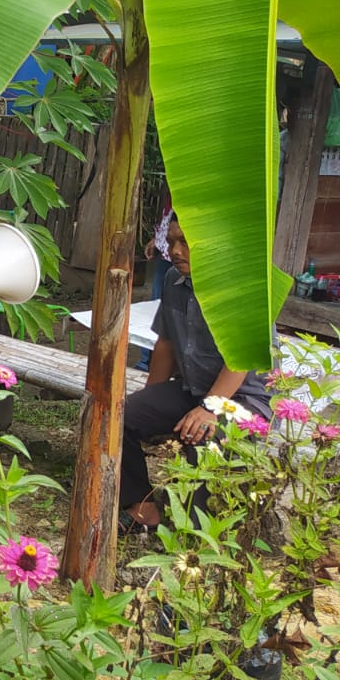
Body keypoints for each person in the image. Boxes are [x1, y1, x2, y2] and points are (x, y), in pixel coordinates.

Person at [118, 217, 271, 534]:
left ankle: (193, 531)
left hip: (246, 400)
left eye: (186, 242)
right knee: (123, 415)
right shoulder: (174, 282)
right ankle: (142, 506)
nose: (176, 250)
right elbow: (166, 344)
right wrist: (151, 403)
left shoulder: (240, 289)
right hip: (193, 390)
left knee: (205, 434)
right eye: (172, 241)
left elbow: (239, 361)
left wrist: (210, 409)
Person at [139, 196, 174, 372]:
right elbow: (169, 215)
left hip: (185, 257)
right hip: (165, 252)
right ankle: (145, 361)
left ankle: (159, 364)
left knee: (175, 310)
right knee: (155, 308)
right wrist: (158, 238)